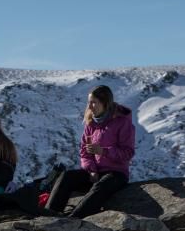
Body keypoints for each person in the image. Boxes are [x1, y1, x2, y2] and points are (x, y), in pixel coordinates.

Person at [43, 85, 135, 218]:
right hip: (95, 172)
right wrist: (91, 170)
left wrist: (104, 151)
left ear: (105, 103)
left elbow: (128, 153)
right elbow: (84, 151)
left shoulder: (122, 123)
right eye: (89, 102)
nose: (90, 107)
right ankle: (49, 215)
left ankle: (74, 219)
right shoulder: (91, 123)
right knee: (66, 177)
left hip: (116, 173)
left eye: (94, 102)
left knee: (100, 187)